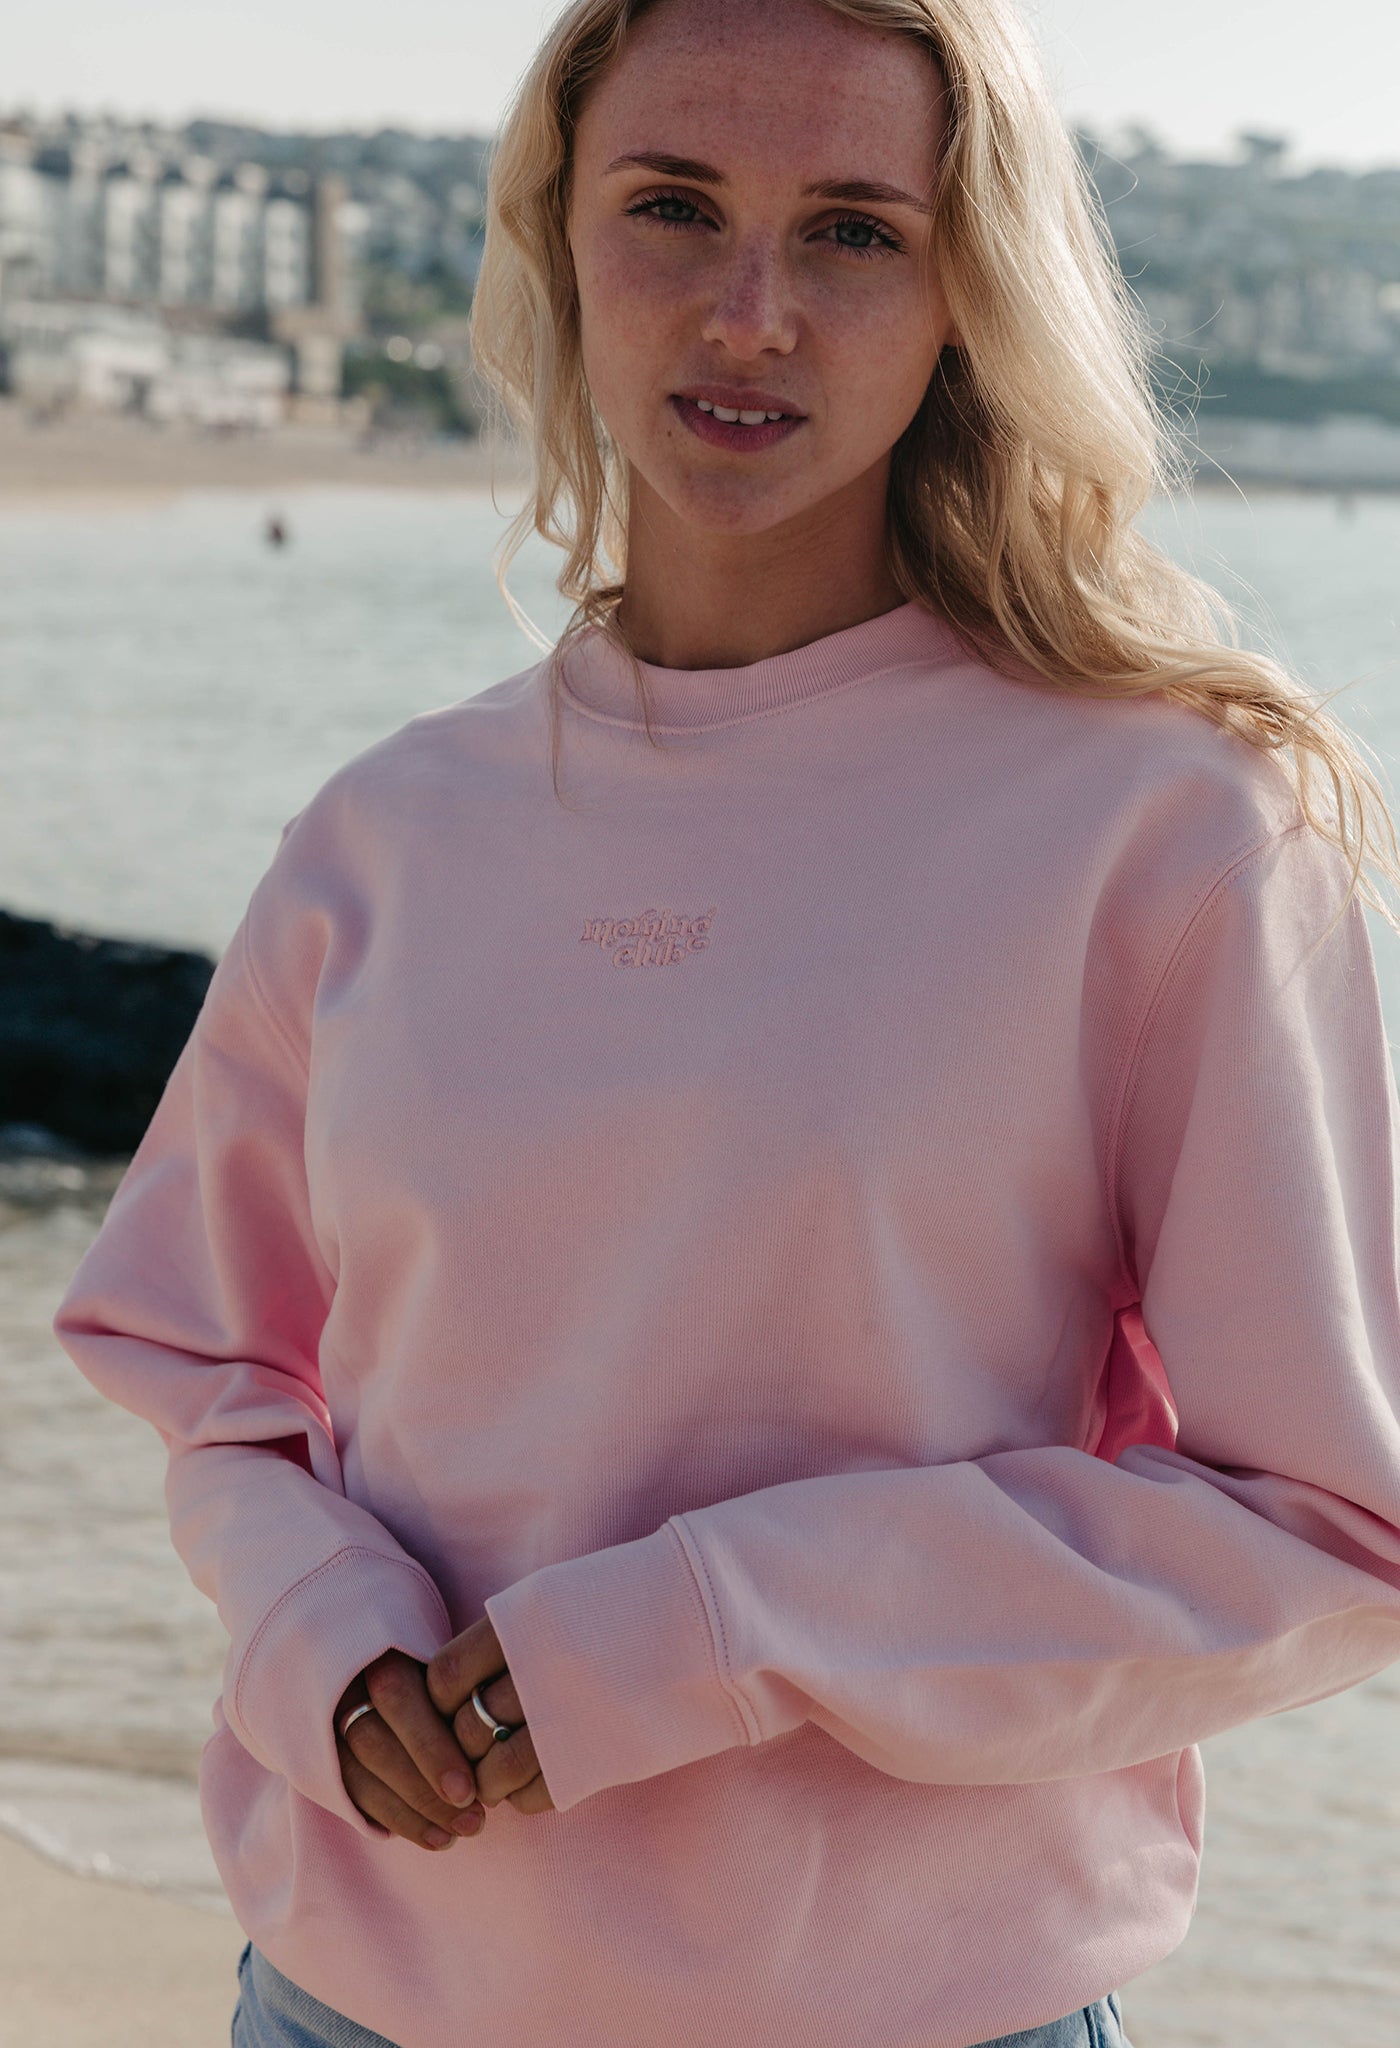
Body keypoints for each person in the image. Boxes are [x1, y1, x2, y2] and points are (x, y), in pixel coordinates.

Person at [51, 2, 1400, 2045]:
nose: (748, 311)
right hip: (345, 2002)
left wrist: (713, 1628)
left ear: (966, 290)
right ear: (557, 237)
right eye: (671, 207)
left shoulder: (1164, 831)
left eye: (854, 230)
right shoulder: (388, 835)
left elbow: (1330, 1522)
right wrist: (325, 1636)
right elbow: (206, 1368)